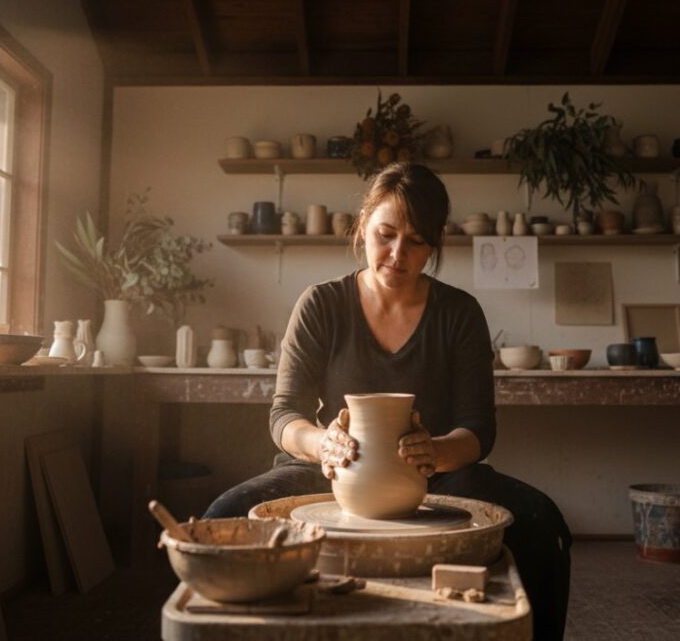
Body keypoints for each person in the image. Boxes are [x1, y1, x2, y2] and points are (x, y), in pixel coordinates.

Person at [205, 162, 572, 640]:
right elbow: (285, 414)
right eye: (386, 235)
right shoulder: (321, 304)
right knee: (222, 519)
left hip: (437, 474)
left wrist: (435, 450)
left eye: (416, 241)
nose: (398, 254)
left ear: (434, 244)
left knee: (544, 527)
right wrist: (323, 445)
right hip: (331, 470)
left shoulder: (459, 313)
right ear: (362, 226)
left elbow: (479, 429)